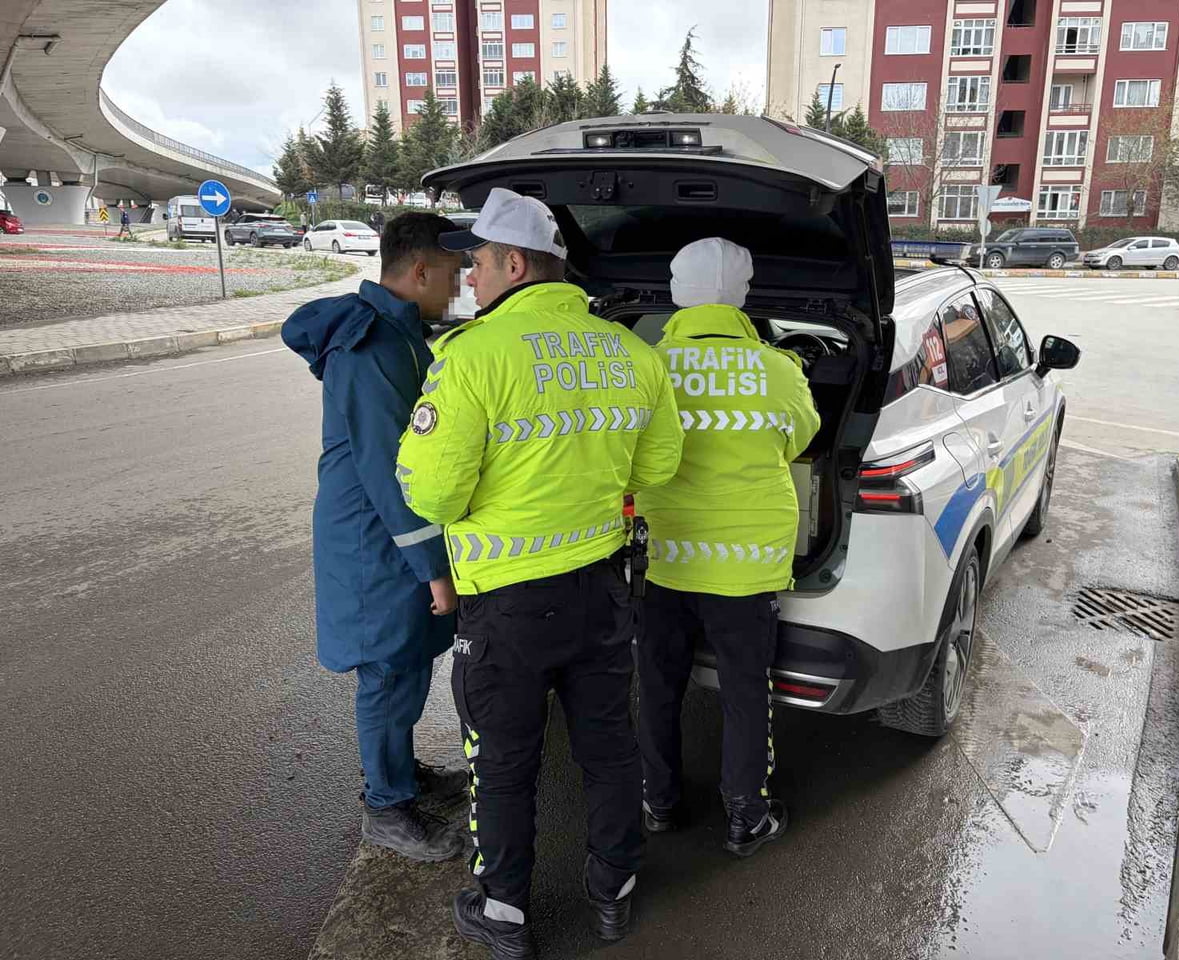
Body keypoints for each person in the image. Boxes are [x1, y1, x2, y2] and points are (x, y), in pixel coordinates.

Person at [396, 187, 684, 958]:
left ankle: (505, 913)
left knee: (505, 764)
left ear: (515, 263)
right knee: (608, 747)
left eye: (478, 263)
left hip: (508, 608)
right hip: (601, 590)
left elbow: (432, 491)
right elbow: (657, 468)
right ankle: (615, 890)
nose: (471, 279)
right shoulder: (633, 354)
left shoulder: (472, 359)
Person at [281, 213, 471, 863]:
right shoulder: (372, 346)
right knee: (389, 670)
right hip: (375, 539)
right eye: (451, 274)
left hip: (391, 535)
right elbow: (389, 471)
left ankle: (402, 773)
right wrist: (434, 570)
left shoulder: (402, 331)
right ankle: (385, 808)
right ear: (419, 271)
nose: (459, 285)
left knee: (409, 658)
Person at [633, 237, 821, 858]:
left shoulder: (645, 364)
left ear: (676, 294)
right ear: (742, 298)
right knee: (744, 690)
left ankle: (659, 802)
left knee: (657, 684)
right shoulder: (779, 369)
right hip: (747, 564)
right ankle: (746, 816)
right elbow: (799, 440)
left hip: (665, 555)